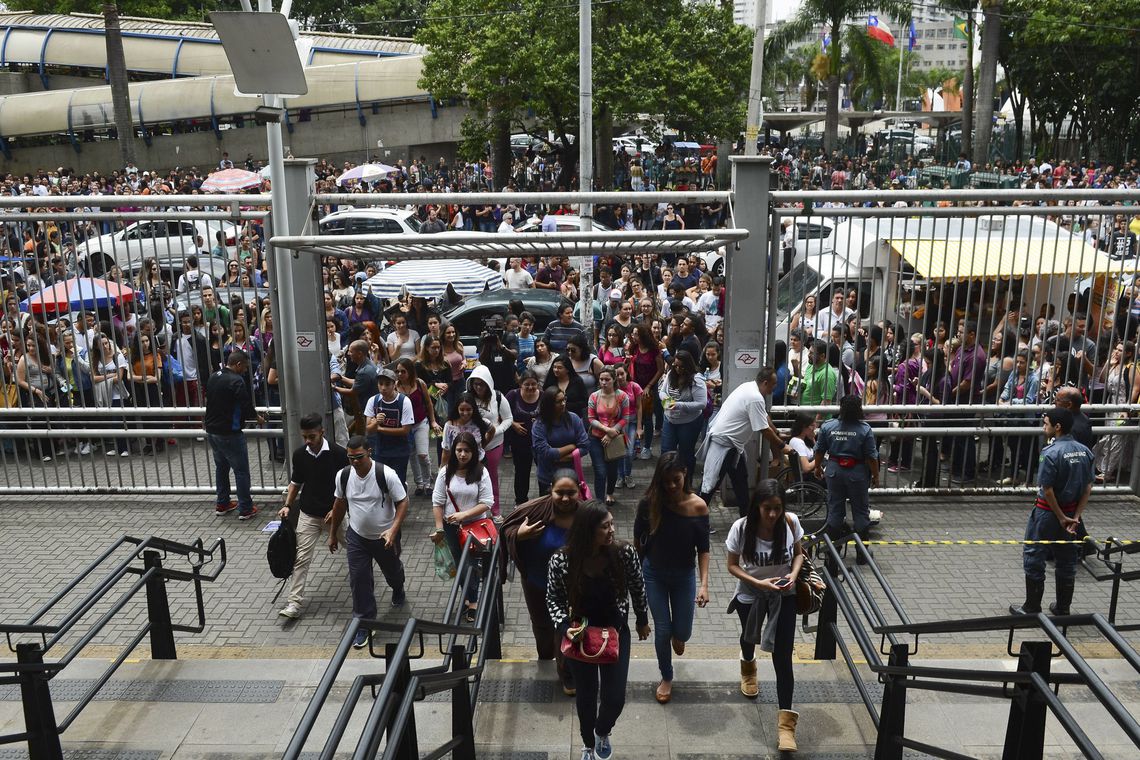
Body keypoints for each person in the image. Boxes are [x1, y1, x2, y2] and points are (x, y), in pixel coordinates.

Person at [546, 501, 650, 760]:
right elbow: (554, 599)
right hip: (581, 636)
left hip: (615, 632)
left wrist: (641, 618)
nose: (612, 530)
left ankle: (602, 730)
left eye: (612, 524)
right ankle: (588, 744)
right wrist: (564, 627)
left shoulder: (624, 553)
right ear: (588, 530)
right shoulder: (562, 559)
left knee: (615, 698)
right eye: (605, 526)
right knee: (586, 695)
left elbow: (638, 585)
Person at [725, 479, 805, 752]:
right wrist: (758, 583)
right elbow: (732, 565)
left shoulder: (791, 523)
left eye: (777, 509)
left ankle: (786, 727)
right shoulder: (742, 528)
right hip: (752, 594)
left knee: (783, 656)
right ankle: (748, 666)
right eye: (767, 508)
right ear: (757, 506)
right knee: (750, 639)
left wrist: (793, 576)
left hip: (784, 596)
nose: (772, 515)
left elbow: (798, 555)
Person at [633, 453, 710, 704]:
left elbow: (704, 548)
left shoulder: (698, 506)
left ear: (685, 474)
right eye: (666, 481)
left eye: (675, 480)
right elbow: (637, 541)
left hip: (683, 576)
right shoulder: (649, 503)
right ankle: (666, 676)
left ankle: (680, 637)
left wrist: (704, 584)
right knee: (663, 630)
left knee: (682, 631)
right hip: (654, 574)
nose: (671, 486)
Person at [502, 470, 583, 695]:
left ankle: (566, 672)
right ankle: (546, 657)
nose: (565, 498)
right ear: (550, 491)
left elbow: (604, 536)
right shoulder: (535, 510)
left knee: (566, 627)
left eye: (571, 493)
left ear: (579, 491)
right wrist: (519, 534)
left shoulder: (587, 515)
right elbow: (506, 529)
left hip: (573, 586)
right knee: (542, 626)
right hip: (536, 582)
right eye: (560, 493)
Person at [1009, 407, 1094, 618]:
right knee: (1067, 559)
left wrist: (1059, 516)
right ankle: (1062, 608)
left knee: (1034, 555)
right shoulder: (1085, 451)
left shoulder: (1051, 453)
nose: (1043, 427)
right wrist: (1075, 517)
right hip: (1071, 514)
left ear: (1057, 427)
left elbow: (1047, 490)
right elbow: (1088, 488)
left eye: (1046, 423)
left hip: (1048, 514)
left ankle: (1031, 606)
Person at [329, 435, 410, 648]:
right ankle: (364, 623)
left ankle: (398, 587)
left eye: (359, 457)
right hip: (357, 537)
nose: (355, 462)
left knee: (392, 571)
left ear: (369, 452)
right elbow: (339, 504)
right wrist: (332, 534)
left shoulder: (386, 474)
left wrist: (393, 530)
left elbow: (403, 502)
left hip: (385, 538)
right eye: (351, 458)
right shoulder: (343, 476)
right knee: (359, 579)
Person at [276, 413, 349, 620]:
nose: (308, 441)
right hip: (308, 514)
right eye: (305, 437)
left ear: (322, 433)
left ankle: (365, 584)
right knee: (301, 559)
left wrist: (336, 510)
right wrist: (288, 505)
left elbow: (348, 487)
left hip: (335, 514)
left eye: (312, 437)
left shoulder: (338, 454)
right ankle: (294, 602)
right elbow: (296, 482)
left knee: (355, 550)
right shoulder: (299, 455)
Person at [698, 367, 791, 517]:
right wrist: (782, 445)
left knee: (741, 482)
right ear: (766, 383)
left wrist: (778, 432)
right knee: (709, 486)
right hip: (725, 445)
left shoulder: (749, 387)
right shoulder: (755, 397)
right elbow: (763, 429)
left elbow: (764, 417)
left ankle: (746, 518)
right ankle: (695, 517)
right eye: (774, 384)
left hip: (733, 446)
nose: (775, 387)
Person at [430, 431, 494, 621]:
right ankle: (467, 598)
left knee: (470, 565)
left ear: (474, 452)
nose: (462, 454)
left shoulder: (481, 472)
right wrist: (439, 528)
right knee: (458, 564)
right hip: (451, 528)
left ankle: (473, 601)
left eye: (466, 450)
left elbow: (487, 502)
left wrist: (464, 515)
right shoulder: (445, 472)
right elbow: (437, 502)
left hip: (475, 526)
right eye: (459, 450)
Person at [204, 349, 265, 520]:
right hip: (230, 432)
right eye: (245, 367)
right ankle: (245, 507)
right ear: (238, 364)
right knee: (241, 471)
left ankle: (222, 503)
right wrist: (257, 418)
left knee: (221, 468)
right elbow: (245, 406)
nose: (245, 371)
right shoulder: (236, 381)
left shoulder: (214, 376)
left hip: (212, 430)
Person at [814, 395, 879, 556]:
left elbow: (820, 450)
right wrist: (876, 476)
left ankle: (833, 552)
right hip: (857, 472)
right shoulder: (864, 429)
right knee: (860, 512)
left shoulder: (828, 426)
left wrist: (817, 467)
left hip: (834, 471)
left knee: (835, 510)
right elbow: (872, 457)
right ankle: (862, 554)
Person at [466, 364, 512, 518]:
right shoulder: (467, 397)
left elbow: (508, 419)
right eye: (475, 383)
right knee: (471, 478)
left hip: (493, 445)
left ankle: (495, 510)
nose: (478, 387)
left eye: (482, 384)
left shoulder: (497, 397)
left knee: (491, 478)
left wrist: (495, 431)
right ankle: (474, 511)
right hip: (471, 447)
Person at [658, 350, 708, 481]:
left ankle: (686, 484)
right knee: (666, 452)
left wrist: (679, 405)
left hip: (689, 422)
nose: (678, 369)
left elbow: (701, 404)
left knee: (686, 455)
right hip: (670, 419)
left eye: (681, 366)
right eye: (676, 365)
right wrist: (667, 402)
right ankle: (667, 483)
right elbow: (662, 392)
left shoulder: (696, 380)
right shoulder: (670, 374)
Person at [394, 357, 440, 496]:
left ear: (410, 372)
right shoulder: (395, 386)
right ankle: (419, 483)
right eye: (398, 372)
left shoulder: (420, 384)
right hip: (405, 426)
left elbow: (428, 403)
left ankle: (428, 483)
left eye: (403, 371)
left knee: (423, 454)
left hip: (421, 422)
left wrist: (433, 421)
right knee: (412, 455)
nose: (400, 374)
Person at [532, 387, 589, 495]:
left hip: (571, 476)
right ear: (549, 404)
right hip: (548, 478)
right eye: (559, 401)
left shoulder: (574, 418)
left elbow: (585, 446)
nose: (563, 403)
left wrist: (562, 459)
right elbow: (545, 452)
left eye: (564, 399)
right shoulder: (539, 425)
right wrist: (571, 447)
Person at [586, 367, 630, 505]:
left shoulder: (622, 396)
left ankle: (610, 493)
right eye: (601, 379)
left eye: (607, 379)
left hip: (614, 439)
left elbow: (625, 417)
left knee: (612, 471)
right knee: (600, 471)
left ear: (614, 380)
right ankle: (599, 501)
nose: (604, 382)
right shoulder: (594, 396)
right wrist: (606, 430)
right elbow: (591, 418)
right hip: (595, 437)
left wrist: (612, 433)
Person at [364, 367, 414, 485]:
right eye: (380, 384)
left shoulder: (404, 401)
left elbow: (405, 430)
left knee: (398, 482)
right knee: (381, 481)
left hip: (400, 450)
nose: (383, 388)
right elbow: (368, 429)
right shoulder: (373, 401)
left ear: (395, 384)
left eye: (387, 384)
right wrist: (376, 422)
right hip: (380, 450)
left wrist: (380, 428)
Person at [506, 371, 543, 505]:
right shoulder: (512, 395)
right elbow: (502, 414)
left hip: (540, 443)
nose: (530, 387)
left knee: (543, 472)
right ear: (521, 384)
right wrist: (513, 424)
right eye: (527, 384)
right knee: (522, 473)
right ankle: (520, 502)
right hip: (520, 442)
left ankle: (543, 501)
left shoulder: (543, 396)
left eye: (534, 384)